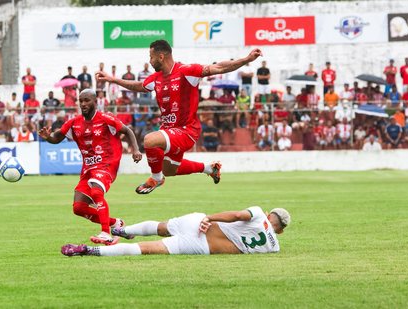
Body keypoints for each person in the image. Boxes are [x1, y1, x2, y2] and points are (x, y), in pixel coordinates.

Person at [96, 40, 262, 194]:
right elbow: (139, 86)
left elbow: (218, 67)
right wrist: (113, 80)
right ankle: (210, 169)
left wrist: (246, 59)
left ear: (161, 56)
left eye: (151, 57)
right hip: (169, 131)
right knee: (169, 169)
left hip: (187, 130)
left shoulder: (186, 71)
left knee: (149, 140)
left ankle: (156, 178)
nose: (150, 61)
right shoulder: (156, 78)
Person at [38, 89, 142, 245]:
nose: (83, 104)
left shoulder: (106, 119)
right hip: (88, 168)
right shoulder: (74, 123)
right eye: (81, 100)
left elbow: (127, 130)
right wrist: (48, 138)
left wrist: (135, 149)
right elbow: (57, 138)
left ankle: (106, 233)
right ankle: (115, 224)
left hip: (107, 164)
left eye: (87, 100)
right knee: (78, 207)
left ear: (95, 101)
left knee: (96, 191)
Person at [61, 206, 290, 257]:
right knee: (145, 250)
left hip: (201, 223)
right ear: (280, 231)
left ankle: (124, 229)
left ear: (270, 215)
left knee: (161, 227)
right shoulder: (274, 247)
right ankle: (88, 251)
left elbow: (239, 216)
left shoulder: (259, 213)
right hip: (202, 247)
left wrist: (209, 217)